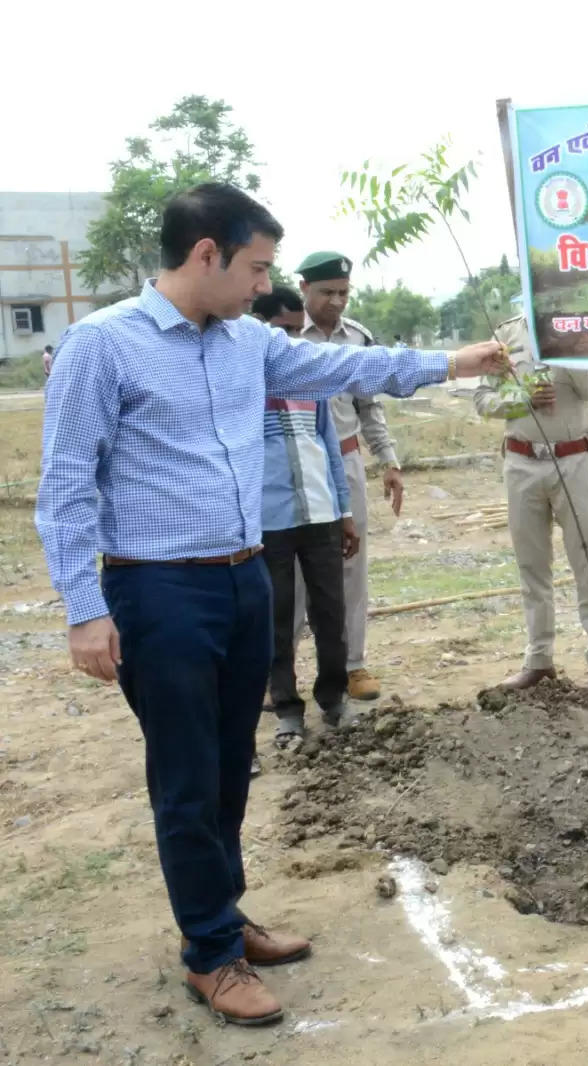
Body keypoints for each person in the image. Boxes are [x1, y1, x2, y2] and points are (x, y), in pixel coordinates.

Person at [33, 183, 507, 1026]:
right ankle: (209, 955)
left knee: (228, 766)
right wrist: (83, 608)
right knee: (185, 776)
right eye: (255, 268)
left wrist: (454, 362)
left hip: (243, 578)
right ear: (206, 253)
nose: (264, 287)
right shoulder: (102, 347)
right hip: (158, 587)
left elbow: (347, 367)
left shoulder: (247, 344)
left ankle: (225, 913)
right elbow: (66, 487)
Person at [474, 308, 588, 694]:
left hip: (574, 460)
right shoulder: (505, 332)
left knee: (587, 560)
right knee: (532, 566)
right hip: (521, 462)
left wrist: (564, 347)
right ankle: (538, 659)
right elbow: (484, 399)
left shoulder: (584, 327)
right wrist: (522, 399)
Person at [250, 286, 363, 749]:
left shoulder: (310, 381)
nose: (293, 341)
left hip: (320, 514)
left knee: (330, 612)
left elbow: (330, 449)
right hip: (268, 520)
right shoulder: (243, 384)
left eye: (297, 331)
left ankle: (333, 697)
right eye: (283, 331)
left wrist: (346, 511)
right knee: (277, 618)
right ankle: (286, 708)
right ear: (257, 328)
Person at [295, 251, 402, 703]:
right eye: (327, 293)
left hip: (346, 459)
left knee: (350, 564)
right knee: (293, 570)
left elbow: (368, 405)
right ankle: (278, 671)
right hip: (294, 468)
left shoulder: (357, 339)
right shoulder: (280, 336)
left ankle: (352, 665)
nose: (337, 302)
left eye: (343, 293)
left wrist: (389, 461)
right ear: (303, 289)